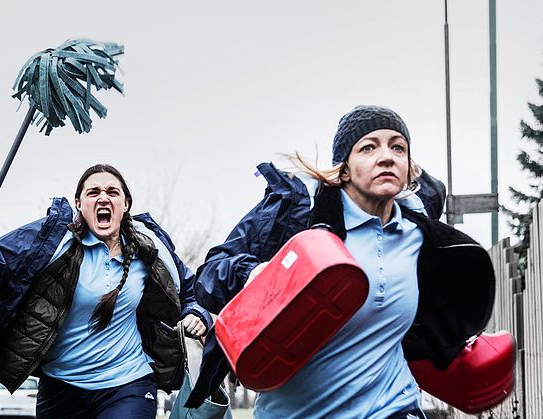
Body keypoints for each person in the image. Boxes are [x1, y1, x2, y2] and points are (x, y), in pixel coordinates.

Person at [187, 105, 496, 418]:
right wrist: (257, 275)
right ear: (344, 168)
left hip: (393, 408)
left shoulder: (420, 235)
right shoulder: (297, 217)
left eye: (398, 147)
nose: (387, 156)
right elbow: (211, 273)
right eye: (368, 147)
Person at [0, 164, 212, 419]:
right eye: (93, 192)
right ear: (80, 205)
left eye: (112, 192)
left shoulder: (150, 249)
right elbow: (3, 261)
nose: (103, 197)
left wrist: (197, 314)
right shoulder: (54, 241)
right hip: (62, 387)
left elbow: (192, 290)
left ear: (125, 204)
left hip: (129, 384)